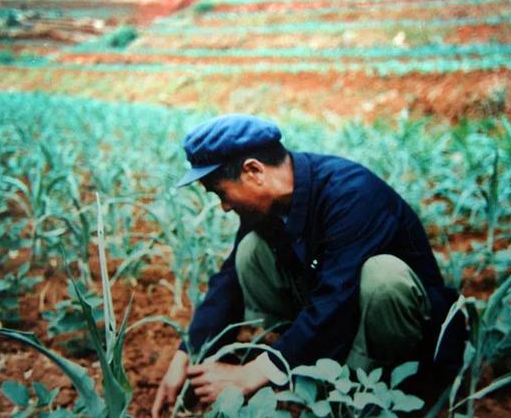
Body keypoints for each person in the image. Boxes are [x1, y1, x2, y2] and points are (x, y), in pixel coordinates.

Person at [152, 114, 463, 417]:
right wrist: (188, 354)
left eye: (221, 193)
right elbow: (230, 279)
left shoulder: (352, 194)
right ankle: (306, 369)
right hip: (337, 320)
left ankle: (356, 397)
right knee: (250, 251)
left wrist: (252, 374)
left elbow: (336, 300)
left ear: (254, 171)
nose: (225, 206)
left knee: (383, 277)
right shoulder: (267, 205)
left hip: (406, 337)